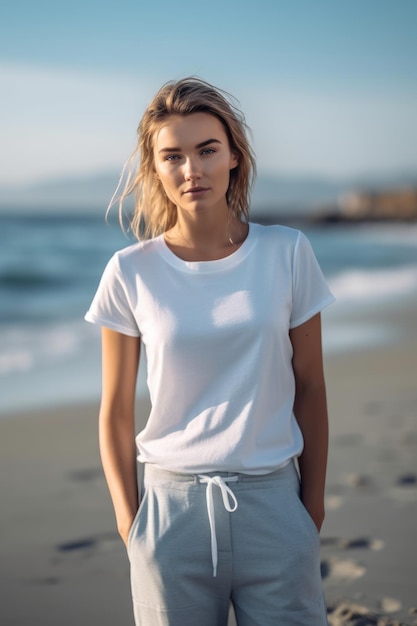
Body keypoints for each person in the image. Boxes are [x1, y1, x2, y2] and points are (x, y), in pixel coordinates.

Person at [85, 77, 335, 626]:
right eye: (172, 156)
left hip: (274, 504)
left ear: (234, 158)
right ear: (156, 168)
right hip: (169, 517)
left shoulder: (287, 252)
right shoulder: (130, 272)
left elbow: (311, 386)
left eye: (207, 150)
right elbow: (115, 411)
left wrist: (309, 508)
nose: (191, 170)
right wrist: (131, 523)